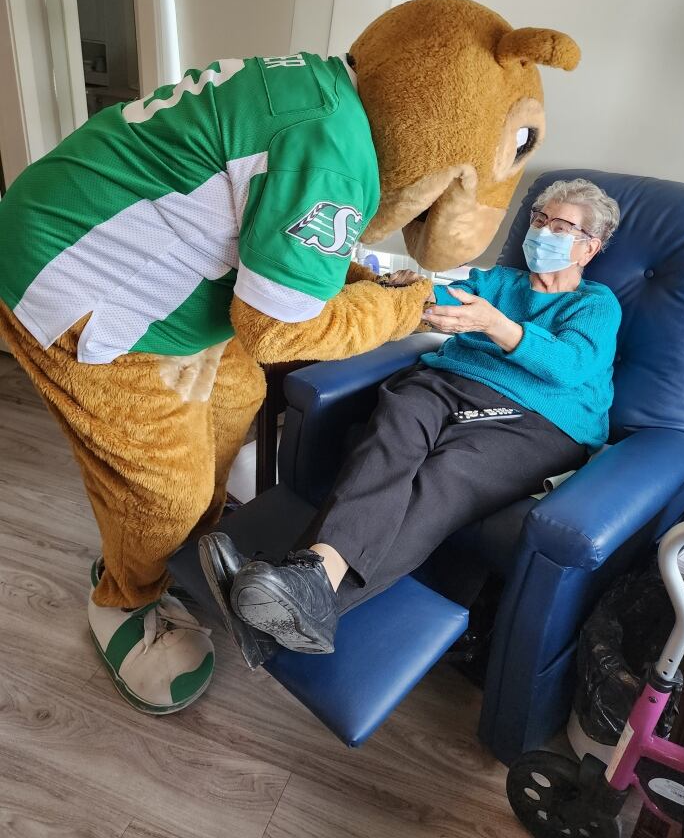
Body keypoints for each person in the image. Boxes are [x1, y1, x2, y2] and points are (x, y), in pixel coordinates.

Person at [202, 177, 622, 658]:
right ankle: (310, 579)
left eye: (561, 226)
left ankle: (287, 613)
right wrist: (405, 292)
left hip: (540, 417)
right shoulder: (497, 282)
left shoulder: (594, 304)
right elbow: (440, 299)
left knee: (445, 475)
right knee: (393, 424)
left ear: (589, 248)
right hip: (448, 383)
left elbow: (569, 367)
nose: (544, 232)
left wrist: (495, 324)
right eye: (539, 219)